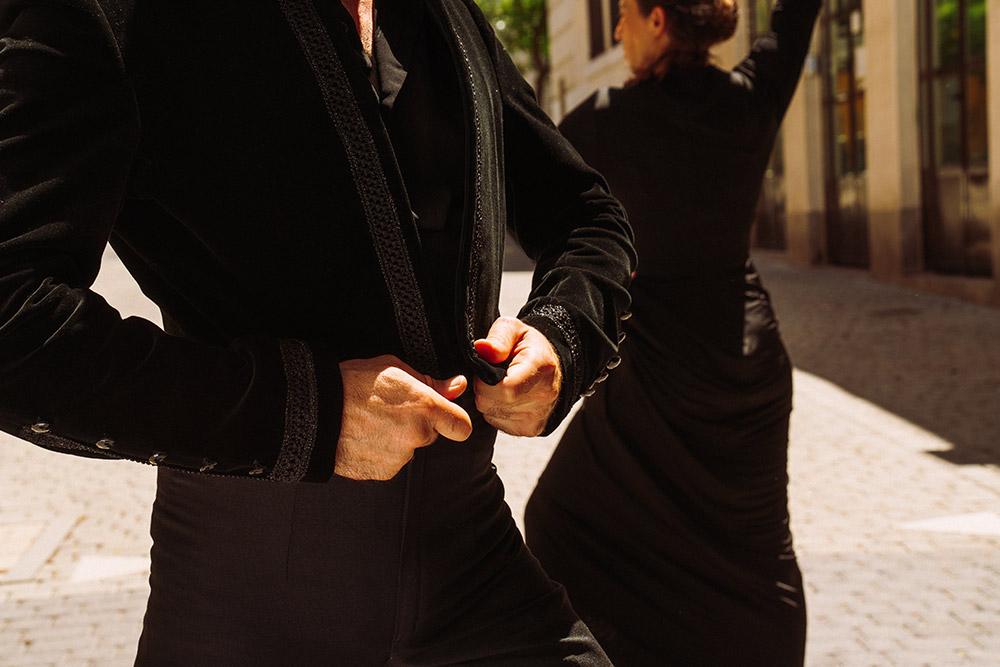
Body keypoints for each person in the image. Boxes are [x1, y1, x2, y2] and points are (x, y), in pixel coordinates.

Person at [0, 0, 636, 663]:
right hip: (249, 615)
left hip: (479, 580)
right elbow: (10, 318)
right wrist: (306, 411)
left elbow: (588, 216)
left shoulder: (442, 15)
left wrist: (562, 336)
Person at [525, 1, 822, 664]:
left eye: (624, 14)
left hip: (659, 371)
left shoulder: (605, 120)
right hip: (745, 364)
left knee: (560, 522)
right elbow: (795, 18)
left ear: (658, 20)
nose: (619, 29)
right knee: (753, 548)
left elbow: (532, 193)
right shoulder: (750, 95)